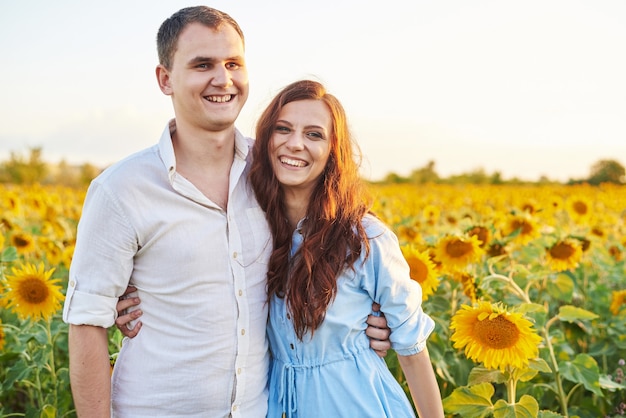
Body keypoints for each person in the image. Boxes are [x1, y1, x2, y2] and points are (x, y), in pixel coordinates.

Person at [62, 6, 389, 417]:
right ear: (165, 79)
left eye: (233, 63)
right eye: (203, 65)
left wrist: (374, 316)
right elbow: (88, 321)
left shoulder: (273, 170)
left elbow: (331, 235)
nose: (223, 79)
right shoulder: (121, 190)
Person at [247, 79, 444, 417]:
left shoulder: (366, 238)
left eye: (314, 134)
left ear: (332, 151)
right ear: (266, 139)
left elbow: (412, 350)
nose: (295, 144)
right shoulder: (251, 228)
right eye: (283, 129)